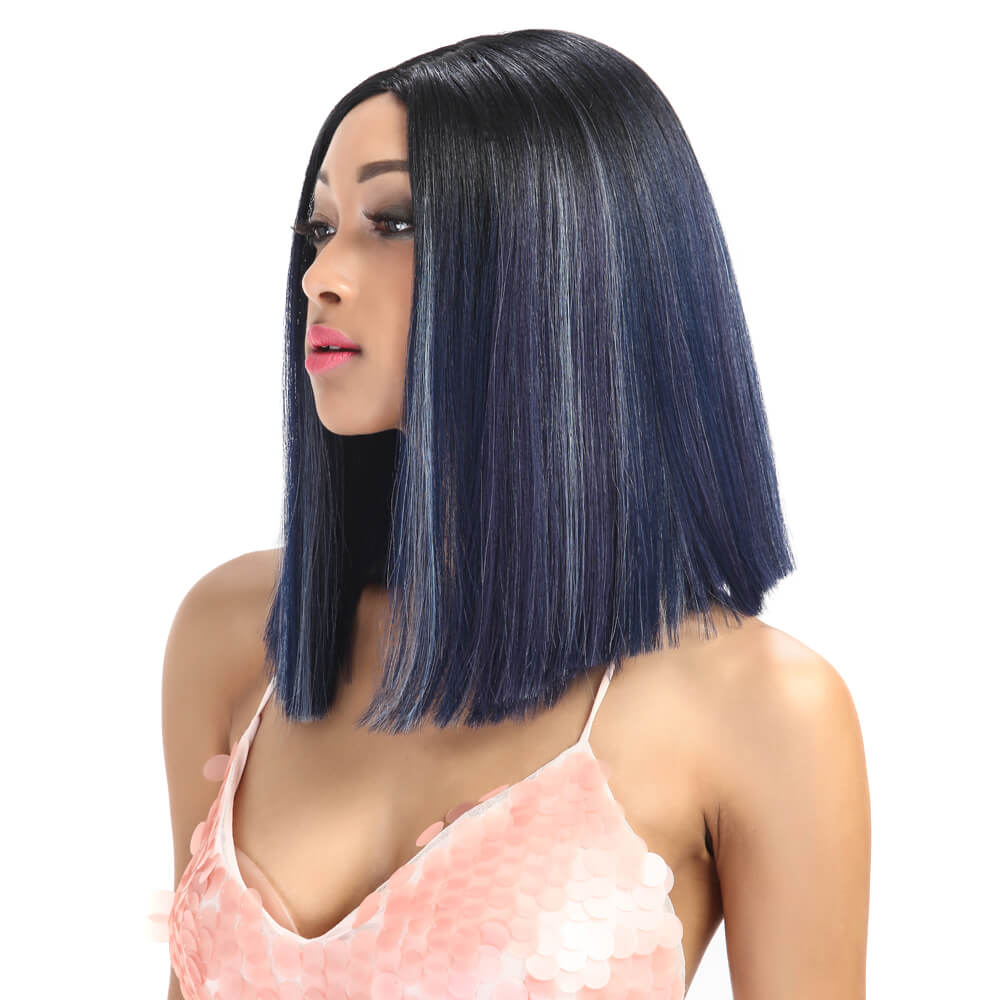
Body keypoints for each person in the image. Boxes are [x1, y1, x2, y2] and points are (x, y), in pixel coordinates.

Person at [149, 28, 870, 1000]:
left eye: (393, 222)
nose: (320, 276)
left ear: (560, 265)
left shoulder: (762, 709)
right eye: (320, 228)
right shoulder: (243, 636)